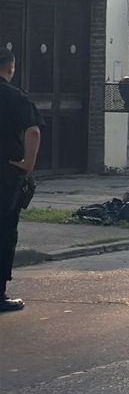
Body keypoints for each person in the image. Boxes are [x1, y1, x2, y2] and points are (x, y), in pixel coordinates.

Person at [0, 48, 43, 313]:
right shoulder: (16, 98)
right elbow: (34, 132)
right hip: (5, 173)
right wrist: (27, 164)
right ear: (10, 68)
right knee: (4, 231)